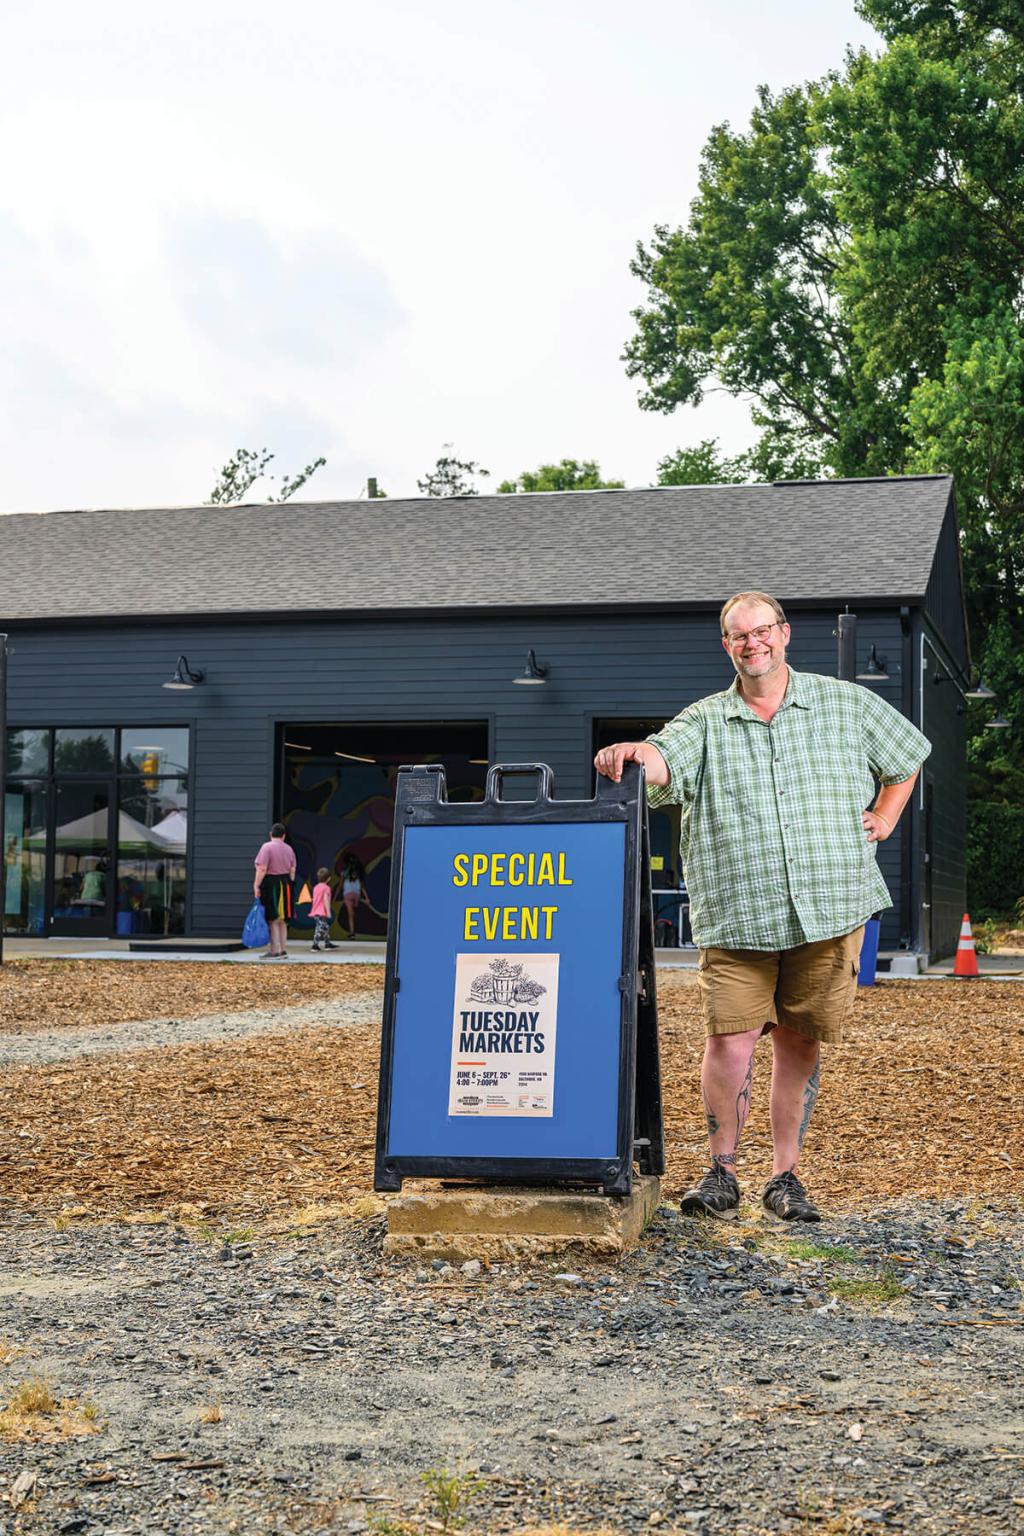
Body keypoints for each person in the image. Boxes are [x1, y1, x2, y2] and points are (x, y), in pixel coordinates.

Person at [594, 590, 930, 1222]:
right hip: (738, 914)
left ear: (784, 633)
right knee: (730, 1041)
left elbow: (907, 758)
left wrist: (886, 815)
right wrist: (638, 754)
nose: (753, 643)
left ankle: (785, 1178)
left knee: (801, 1043)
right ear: (727, 646)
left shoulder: (846, 704)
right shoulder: (705, 720)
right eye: (738, 635)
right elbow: (667, 760)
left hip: (830, 908)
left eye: (762, 631)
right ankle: (721, 1173)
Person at [253, 822, 296, 959]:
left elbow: (262, 868)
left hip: (272, 884)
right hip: (287, 884)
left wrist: (256, 885)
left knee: (273, 919)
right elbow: (292, 871)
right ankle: (283, 950)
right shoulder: (289, 849)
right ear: (284, 836)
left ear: (271, 834)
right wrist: (289, 883)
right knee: (283, 920)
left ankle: (274, 951)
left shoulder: (266, 847)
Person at [310, 866, 337, 952]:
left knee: (325, 927)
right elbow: (325, 900)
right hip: (321, 911)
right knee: (319, 928)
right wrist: (328, 912)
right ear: (328, 879)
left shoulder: (315, 887)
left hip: (316, 911)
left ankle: (327, 943)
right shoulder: (326, 888)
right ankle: (315, 945)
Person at [340, 854, 366, 938]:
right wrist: (367, 897)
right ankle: (354, 930)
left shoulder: (344, 872)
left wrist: (334, 896)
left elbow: (340, 885)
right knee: (355, 913)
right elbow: (362, 886)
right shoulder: (358, 871)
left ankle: (352, 932)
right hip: (357, 893)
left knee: (350, 915)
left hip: (347, 893)